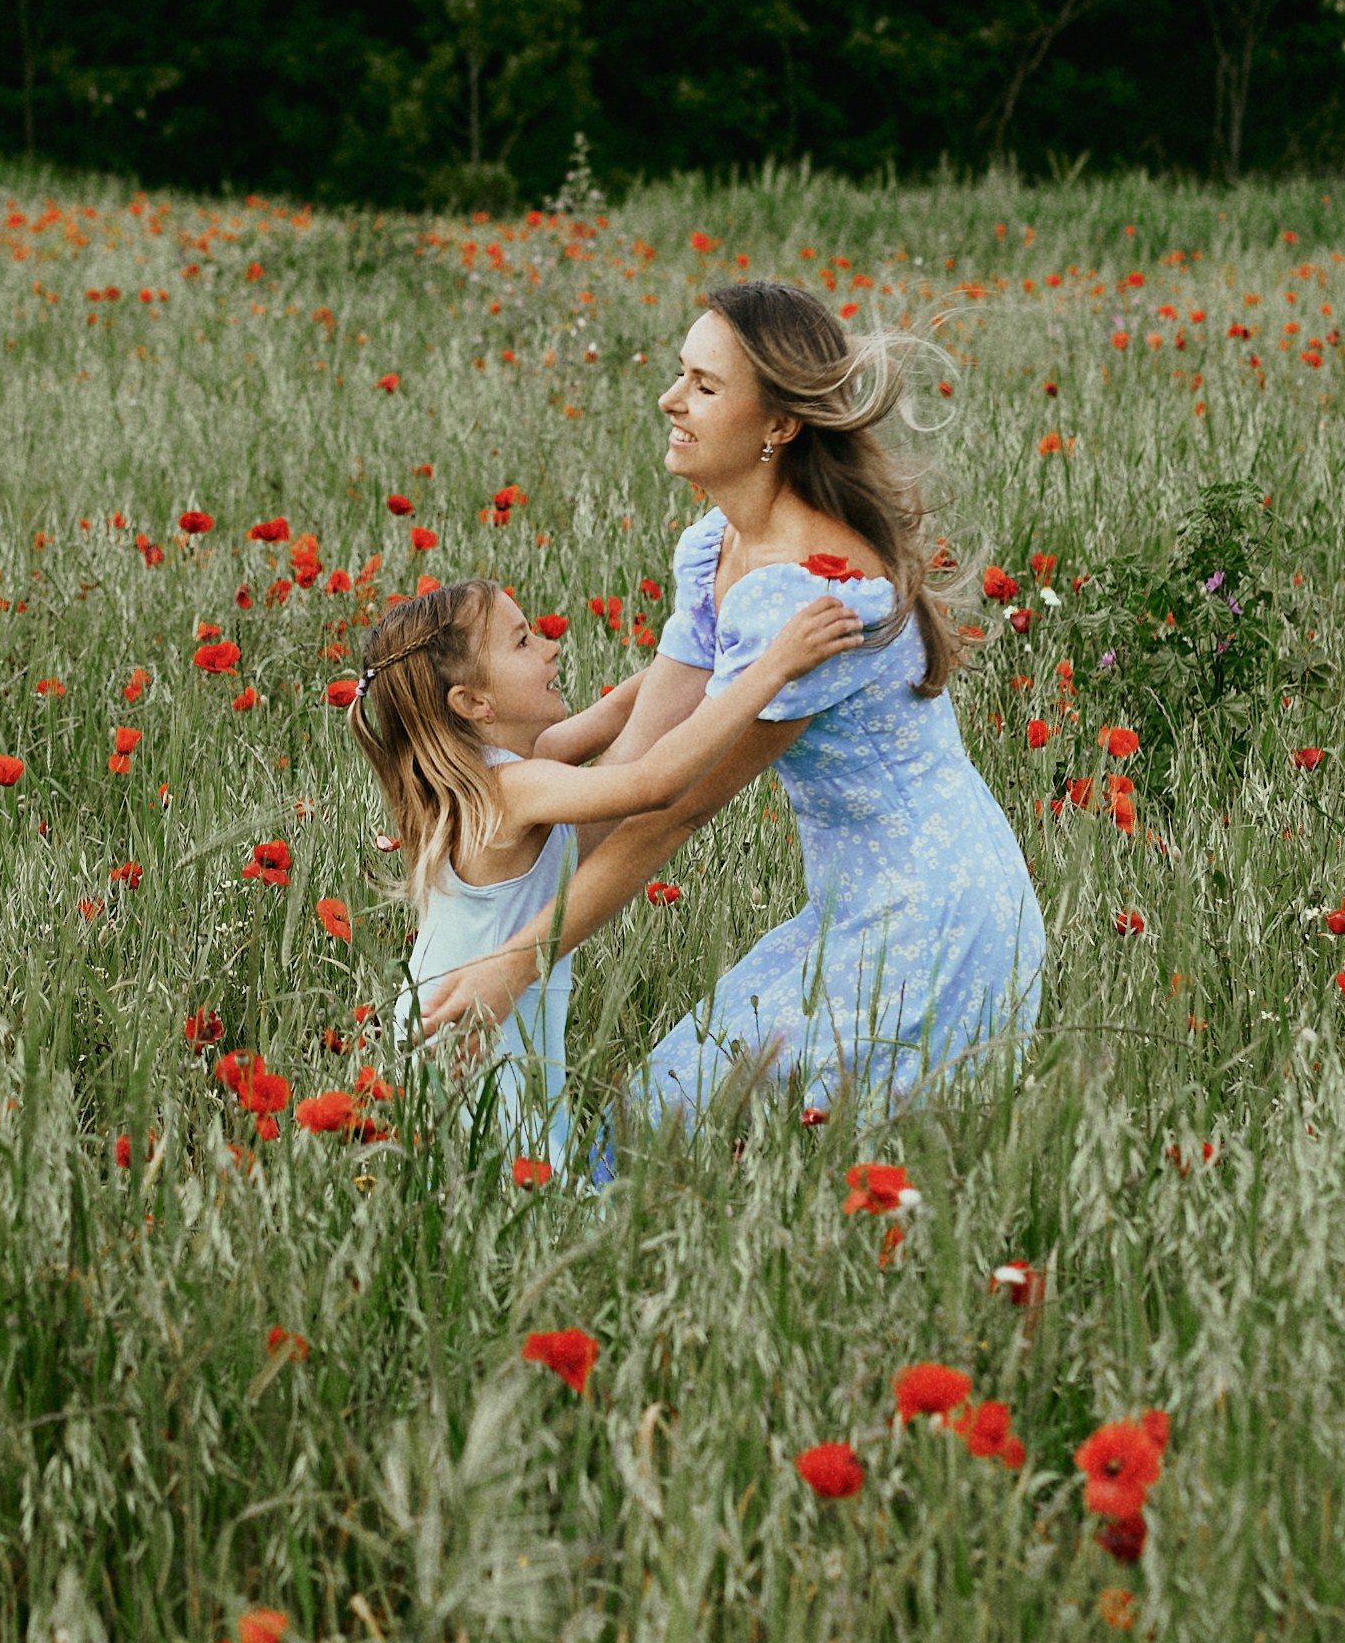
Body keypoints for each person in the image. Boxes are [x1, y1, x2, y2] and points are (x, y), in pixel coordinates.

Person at [413, 278, 1045, 1135]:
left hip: (932, 916)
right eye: (681, 375)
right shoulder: (717, 543)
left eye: (704, 386)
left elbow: (672, 806)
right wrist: (484, 884)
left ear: (778, 425)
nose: (671, 400)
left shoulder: (807, 594)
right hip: (851, 906)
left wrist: (515, 964)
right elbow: (637, 758)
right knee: (668, 1130)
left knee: (695, 1139)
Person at [352, 569, 865, 1168]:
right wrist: (772, 668)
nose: (550, 644)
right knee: (531, 1195)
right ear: (474, 704)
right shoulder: (509, 790)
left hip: (471, 1022)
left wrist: (730, 641)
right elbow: (656, 783)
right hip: (473, 1039)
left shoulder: (514, 765)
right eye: (522, 641)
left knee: (518, 1183)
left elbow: (626, 704)